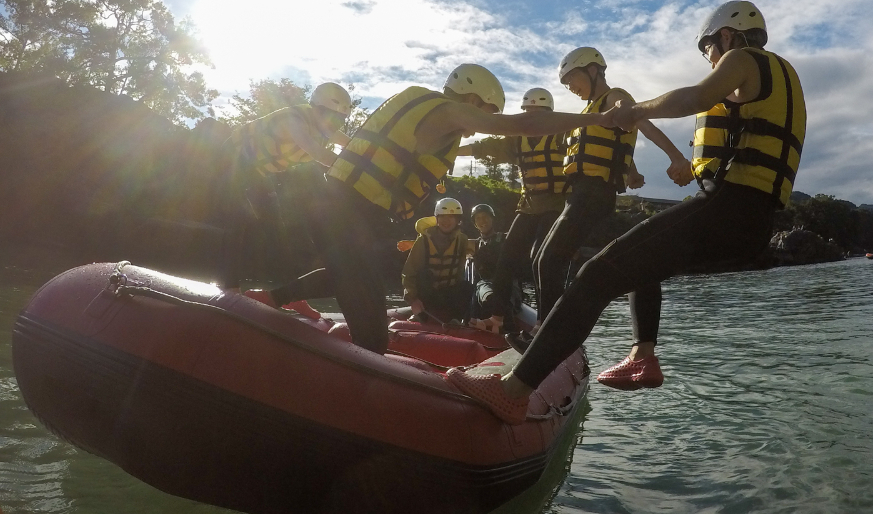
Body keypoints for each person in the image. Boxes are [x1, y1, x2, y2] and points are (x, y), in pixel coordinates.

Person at [446, 1, 806, 422]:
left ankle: (515, 389)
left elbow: (696, 96)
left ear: (726, 35)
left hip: (726, 208)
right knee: (641, 262)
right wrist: (635, 166)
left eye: (708, 49)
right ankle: (643, 355)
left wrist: (638, 112)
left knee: (593, 274)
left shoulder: (741, 58)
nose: (711, 60)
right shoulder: (785, 75)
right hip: (752, 224)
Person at [254, 64, 618, 354]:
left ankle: (270, 298)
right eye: (486, 111)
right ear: (473, 98)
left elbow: (411, 154)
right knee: (373, 338)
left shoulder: (415, 99)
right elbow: (520, 125)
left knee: (345, 270)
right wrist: (595, 119)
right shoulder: (450, 112)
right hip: (349, 210)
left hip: (341, 205)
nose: (477, 126)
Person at [530, 47, 693, 332]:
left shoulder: (616, 97)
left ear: (593, 70)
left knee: (548, 260)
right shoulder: (590, 111)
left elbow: (643, 124)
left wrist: (676, 157)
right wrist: (632, 171)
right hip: (579, 195)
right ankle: (555, 329)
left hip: (593, 194)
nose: (570, 88)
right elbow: (614, 143)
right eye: (565, 84)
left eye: (572, 79)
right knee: (540, 260)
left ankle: (546, 335)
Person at [456, 87, 566, 341]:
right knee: (506, 259)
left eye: (536, 112)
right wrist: (451, 152)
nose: (530, 117)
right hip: (528, 206)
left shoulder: (563, 136)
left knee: (542, 258)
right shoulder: (517, 139)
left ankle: (545, 321)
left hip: (555, 205)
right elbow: (483, 148)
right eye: (527, 112)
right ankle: (497, 318)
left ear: (549, 114)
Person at [220, 82, 354, 285]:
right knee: (239, 218)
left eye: (340, 119)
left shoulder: (324, 127)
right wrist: (353, 171)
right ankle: (228, 286)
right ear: (316, 109)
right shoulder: (294, 120)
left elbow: (354, 146)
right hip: (232, 160)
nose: (334, 124)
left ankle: (287, 293)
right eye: (331, 117)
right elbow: (314, 151)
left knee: (275, 226)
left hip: (258, 173)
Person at [401, 198, 475, 322]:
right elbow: (409, 272)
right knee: (424, 275)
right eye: (443, 217)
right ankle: (420, 315)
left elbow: (459, 271)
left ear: (458, 220)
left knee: (466, 286)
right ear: (437, 218)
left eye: (451, 217)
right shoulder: (423, 240)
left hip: (448, 296)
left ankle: (456, 319)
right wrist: (413, 299)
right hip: (427, 295)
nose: (446, 221)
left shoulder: (462, 240)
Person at [468, 203, 509, 325]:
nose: (482, 221)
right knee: (482, 290)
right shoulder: (474, 244)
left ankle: (504, 324)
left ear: (492, 218)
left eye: (485, 216)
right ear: (475, 223)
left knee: (488, 292)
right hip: (484, 286)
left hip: (505, 286)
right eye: (478, 218)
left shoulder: (506, 238)